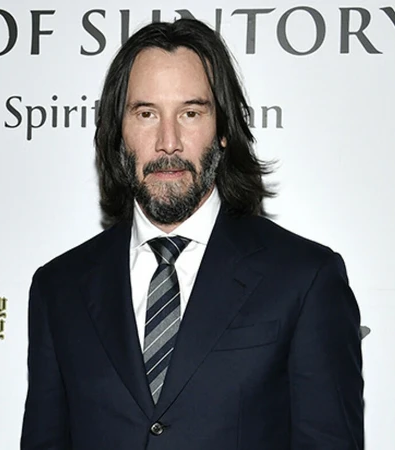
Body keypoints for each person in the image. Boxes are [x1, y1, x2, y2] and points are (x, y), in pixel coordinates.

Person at [21, 18, 364, 450]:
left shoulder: (306, 278)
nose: (169, 142)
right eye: (146, 114)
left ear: (223, 131)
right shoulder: (58, 288)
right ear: (118, 133)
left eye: (191, 113)